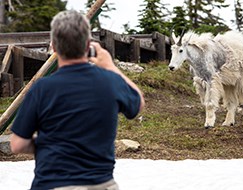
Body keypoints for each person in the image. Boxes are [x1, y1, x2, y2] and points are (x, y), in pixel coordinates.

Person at [10, 10, 145, 190]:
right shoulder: (110, 82)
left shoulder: (42, 89)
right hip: (100, 183)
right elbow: (138, 103)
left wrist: (49, 144)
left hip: (52, 183)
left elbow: (17, 144)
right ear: (88, 45)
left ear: (54, 47)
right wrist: (110, 66)